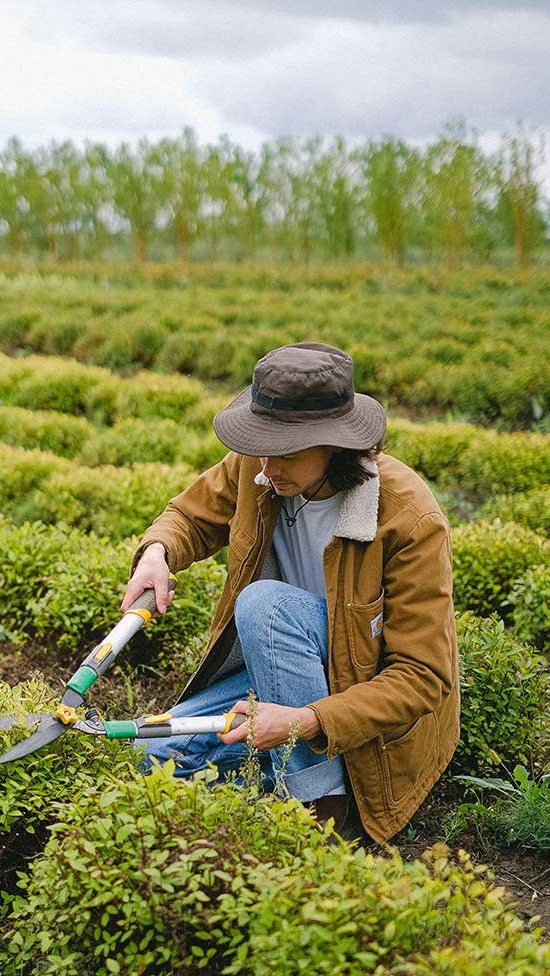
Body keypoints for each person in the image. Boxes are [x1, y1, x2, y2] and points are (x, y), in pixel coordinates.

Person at [121, 342, 459, 844]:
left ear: (338, 446)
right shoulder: (259, 469)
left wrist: (304, 720)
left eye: (286, 452)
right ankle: (278, 770)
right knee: (151, 754)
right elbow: (189, 516)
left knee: (264, 604)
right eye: (260, 446)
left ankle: (324, 807)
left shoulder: (409, 518)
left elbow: (421, 678)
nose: (265, 466)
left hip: (358, 692)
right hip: (281, 668)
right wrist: (157, 554)